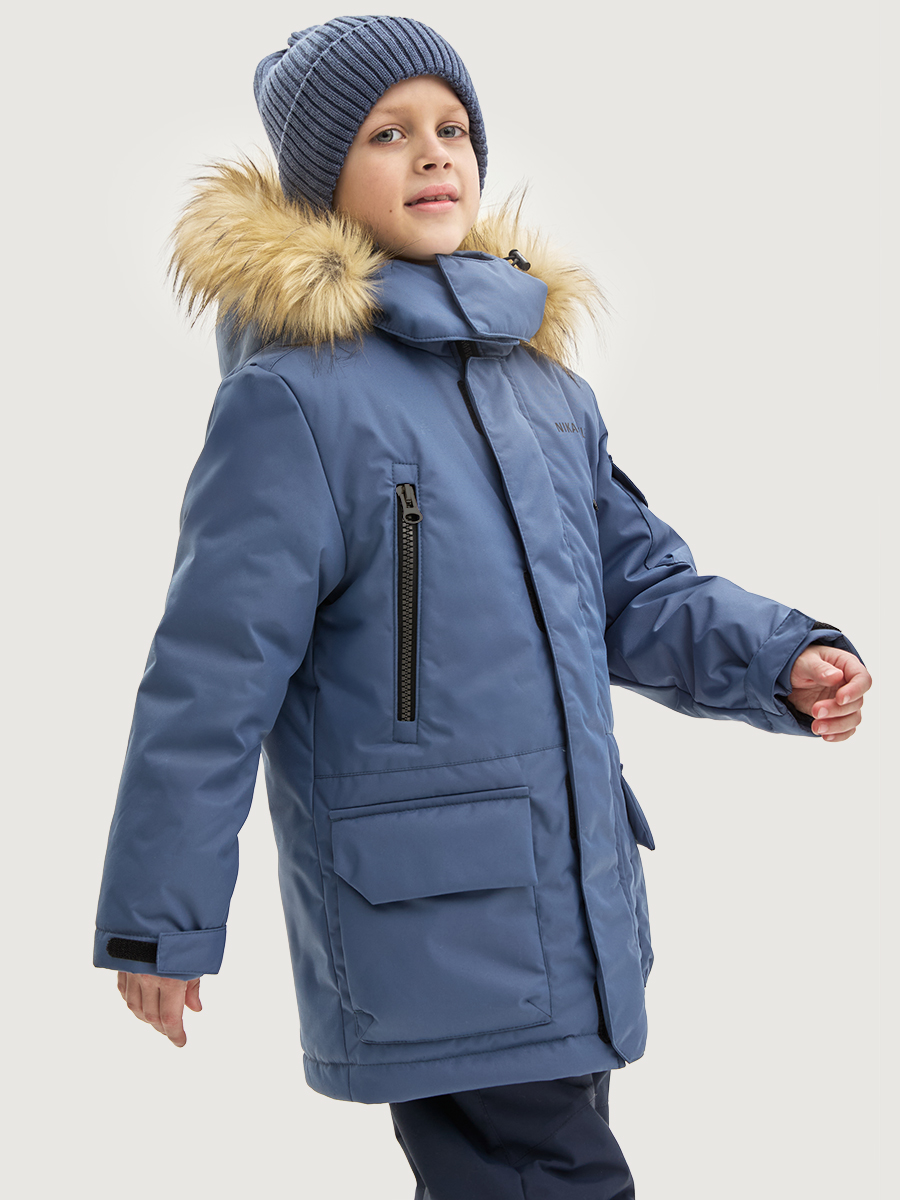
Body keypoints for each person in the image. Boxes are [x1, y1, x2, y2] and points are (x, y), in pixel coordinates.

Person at [93, 15, 871, 1198]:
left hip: (567, 896)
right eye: (387, 133)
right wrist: (160, 917)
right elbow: (212, 674)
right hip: (434, 917)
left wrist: (779, 661)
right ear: (320, 182)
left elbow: (636, 590)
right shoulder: (297, 405)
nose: (432, 153)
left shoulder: (541, 389)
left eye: (451, 128)